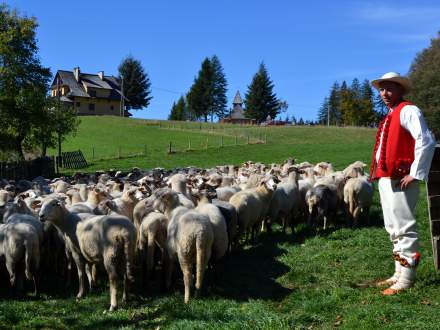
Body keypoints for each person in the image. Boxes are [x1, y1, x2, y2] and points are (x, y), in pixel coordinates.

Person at [369, 72, 436, 295]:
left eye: (390, 88)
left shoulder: (408, 110)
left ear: (400, 90)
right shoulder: (391, 114)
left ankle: (406, 279)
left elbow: (425, 140)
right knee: (393, 229)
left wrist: (415, 173)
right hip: (386, 179)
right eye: (382, 89)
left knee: (405, 228)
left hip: (401, 180)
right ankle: (398, 272)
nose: (385, 93)